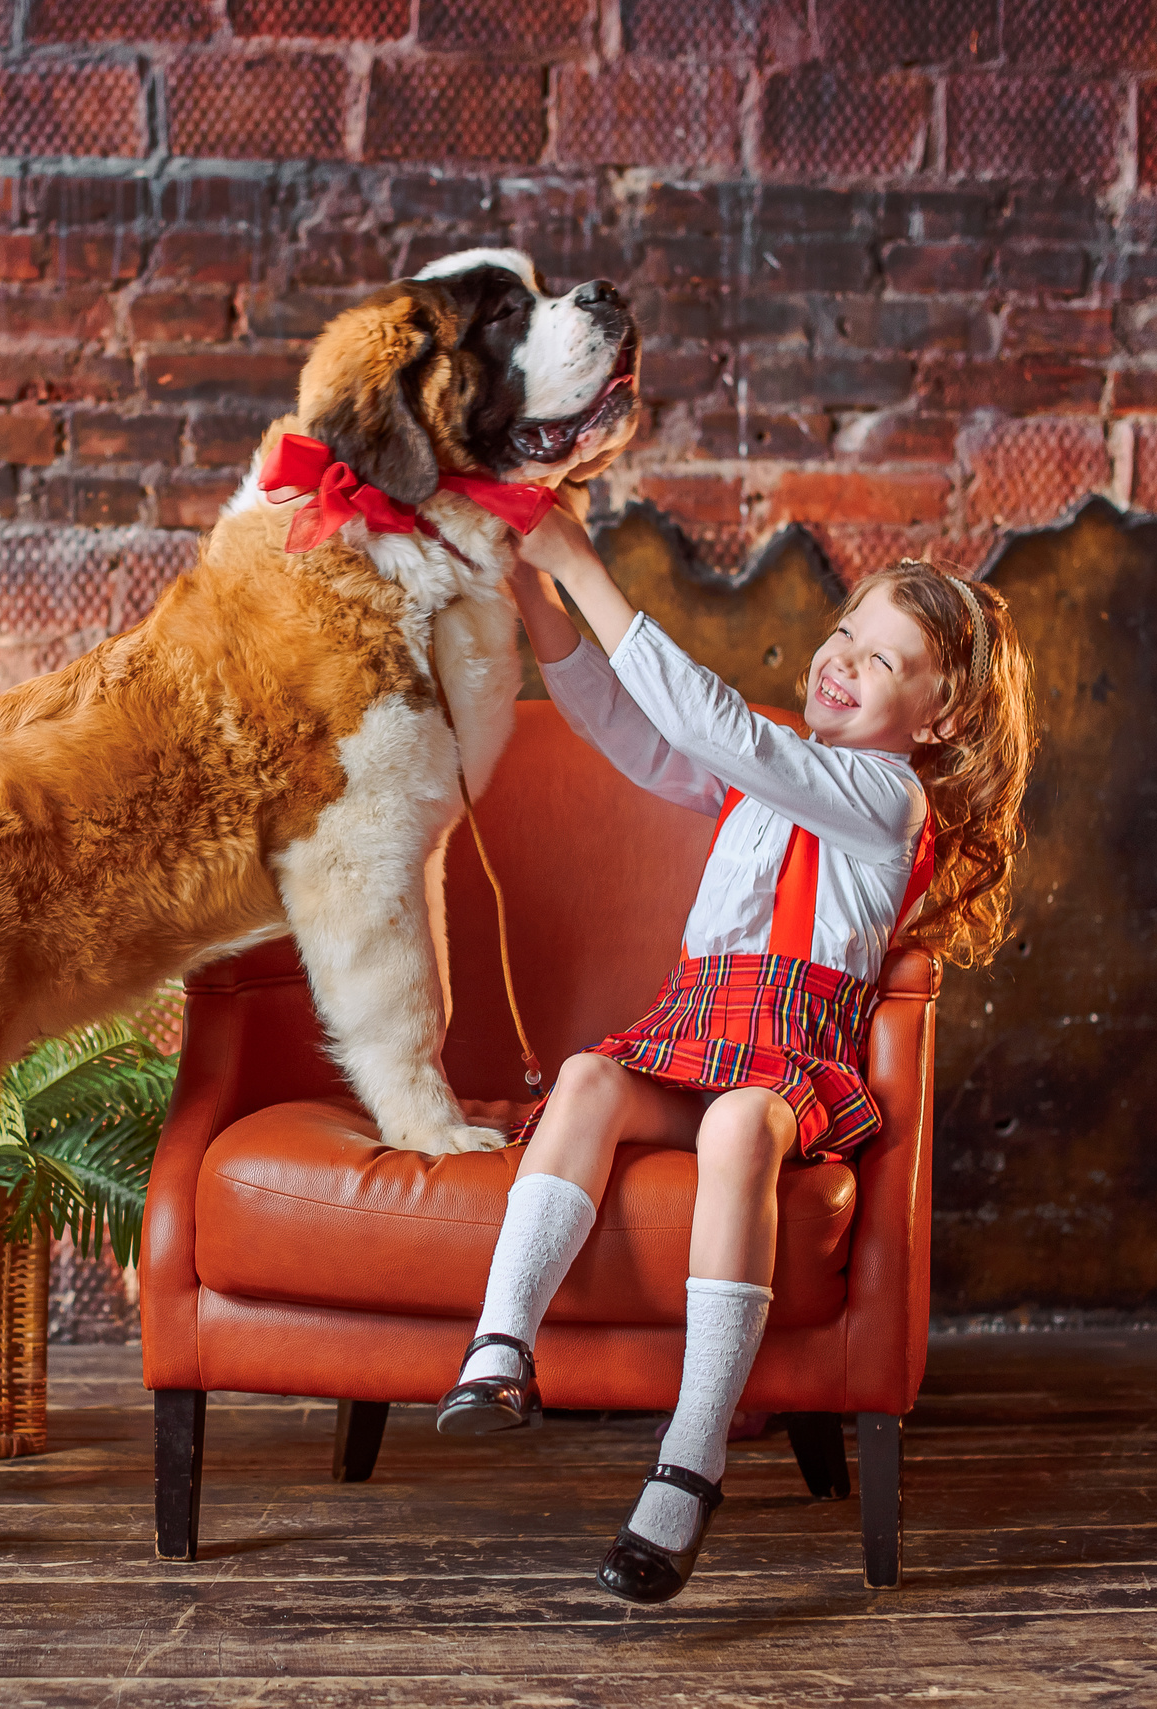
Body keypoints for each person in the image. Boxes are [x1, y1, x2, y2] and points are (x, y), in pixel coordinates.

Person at [436, 504, 1037, 1605]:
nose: (844, 663)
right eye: (845, 635)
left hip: (786, 1052)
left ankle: (689, 1458)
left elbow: (722, 729)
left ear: (940, 714)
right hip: (694, 1027)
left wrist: (581, 559)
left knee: (738, 1119)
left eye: (884, 660)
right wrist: (532, 591)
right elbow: (624, 725)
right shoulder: (761, 785)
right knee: (583, 1078)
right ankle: (501, 1348)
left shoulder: (886, 796)